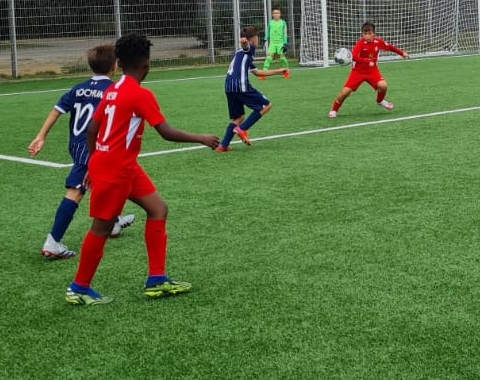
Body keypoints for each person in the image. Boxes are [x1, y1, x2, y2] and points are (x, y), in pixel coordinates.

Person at [65, 33, 219, 305]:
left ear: (119, 63)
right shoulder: (140, 94)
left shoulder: (112, 90)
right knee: (102, 227)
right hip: (116, 168)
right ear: (146, 64)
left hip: (118, 164)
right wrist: (201, 138)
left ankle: (157, 279)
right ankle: (79, 288)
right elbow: (165, 132)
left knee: (158, 209)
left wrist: (93, 161)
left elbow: (92, 129)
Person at [27, 44, 135, 259]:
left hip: (76, 145)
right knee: (76, 192)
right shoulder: (112, 90)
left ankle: (113, 222)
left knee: (112, 180)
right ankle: (53, 241)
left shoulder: (78, 88)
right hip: (92, 147)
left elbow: (57, 110)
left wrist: (41, 136)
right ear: (115, 66)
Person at [217, 26, 286, 152]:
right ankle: (242, 129)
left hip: (229, 87)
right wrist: (245, 43)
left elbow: (258, 72)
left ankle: (223, 145)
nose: (258, 40)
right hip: (240, 86)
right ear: (254, 39)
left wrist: (278, 71)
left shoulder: (240, 54)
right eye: (257, 38)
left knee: (238, 117)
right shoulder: (250, 49)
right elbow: (247, 47)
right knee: (266, 105)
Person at [329, 22, 409, 118]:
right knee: (345, 92)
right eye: (365, 33)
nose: (367, 36)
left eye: (369, 33)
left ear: (373, 34)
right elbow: (354, 57)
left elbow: (390, 47)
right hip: (358, 72)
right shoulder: (360, 44)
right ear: (362, 34)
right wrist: (367, 61)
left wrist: (402, 53)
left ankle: (380, 101)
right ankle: (334, 110)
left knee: (383, 86)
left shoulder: (378, 42)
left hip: (372, 71)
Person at [260, 6, 292, 71]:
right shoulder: (270, 22)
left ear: (280, 14)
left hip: (281, 43)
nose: (276, 14)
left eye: (278, 13)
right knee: (269, 58)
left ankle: (286, 70)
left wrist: (285, 43)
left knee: (282, 58)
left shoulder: (283, 22)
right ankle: (264, 72)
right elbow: (268, 32)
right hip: (272, 43)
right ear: (272, 14)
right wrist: (265, 39)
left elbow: (285, 34)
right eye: (275, 13)